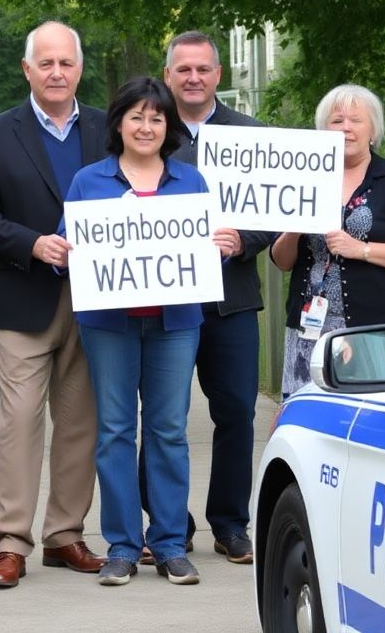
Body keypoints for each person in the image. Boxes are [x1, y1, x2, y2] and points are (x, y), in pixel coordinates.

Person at [64, 76, 230, 586]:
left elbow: (205, 248)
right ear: (118, 122)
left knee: (168, 431)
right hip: (108, 325)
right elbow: (69, 252)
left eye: (156, 117)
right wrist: (61, 250)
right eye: (136, 116)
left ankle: (169, 544)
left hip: (175, 323)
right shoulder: (88, 181)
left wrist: (220, 245)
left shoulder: (191, 183)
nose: (146, 126)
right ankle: (121, 545)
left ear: (169, 126)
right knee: (115, 431)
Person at [0, 21, 108, 588]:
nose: (56, 72)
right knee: (20, 420)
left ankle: (65, 535)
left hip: (99, 300)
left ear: (79, 69)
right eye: (45, 63)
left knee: (80, 423)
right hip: (24, 295)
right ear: (27, 70)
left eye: (65, 63)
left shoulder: (107, 129)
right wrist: (31, 242)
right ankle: (11, 542)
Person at [141, 30, 277, 565]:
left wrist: (245, 240)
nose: (193, 78)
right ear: (168, 74)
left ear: (218, 75)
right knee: (160, 416)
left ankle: (230, 523)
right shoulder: (148, 129)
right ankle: (164, 523)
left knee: (237, 413)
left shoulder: (252, 134)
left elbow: (274, 214)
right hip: (163, 301)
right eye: (183, 69)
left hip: (231, 299)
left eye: (203, 69)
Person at [270, 84, 385, 396]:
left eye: (355, 120)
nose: (345, 127)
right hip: (310, 331)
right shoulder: (304, 178)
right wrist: (295, 225)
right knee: (310, 423)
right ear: (323, 129)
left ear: (373, 128)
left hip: (375, 333)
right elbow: (282, 261)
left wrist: (361, 249)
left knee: (371, 420)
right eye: (336, 120)